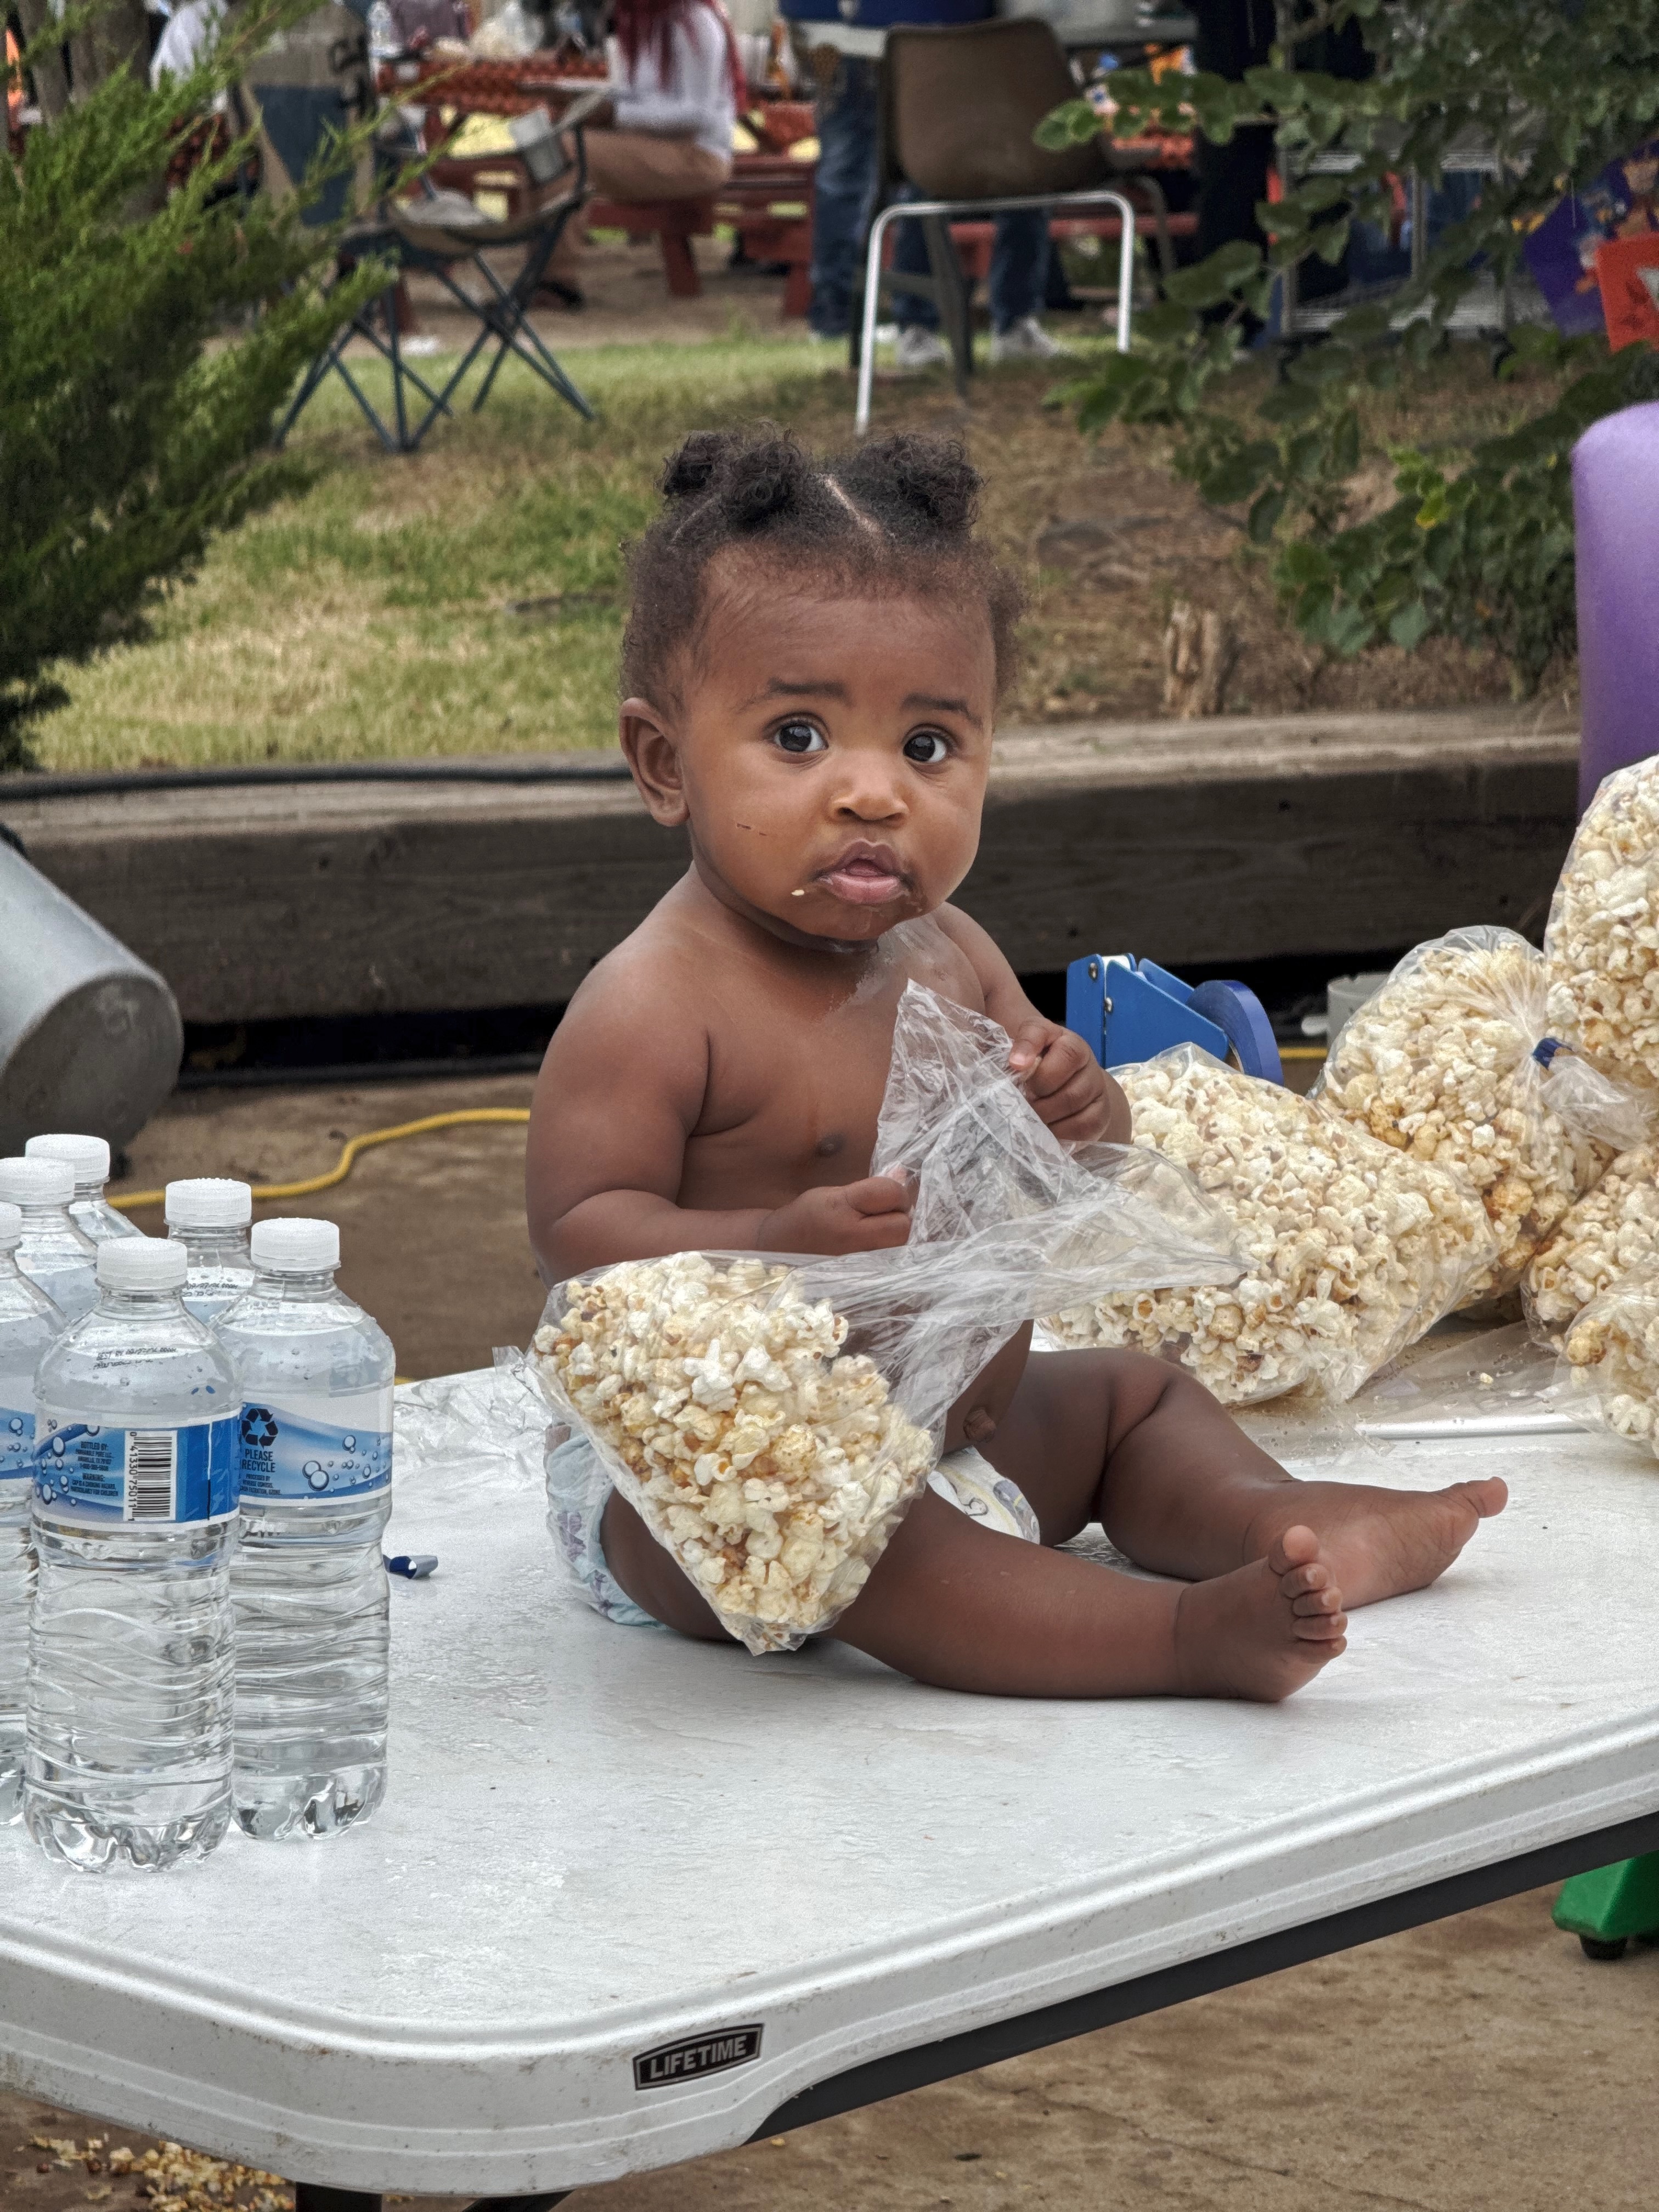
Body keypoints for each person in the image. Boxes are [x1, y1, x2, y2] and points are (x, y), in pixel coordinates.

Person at [524, 428, 1506, 1702]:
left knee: (1135, 1401)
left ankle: (1282, 1522)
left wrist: (1077, 1104)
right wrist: (777, 1237)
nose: (873, 793)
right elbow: (577, 1240)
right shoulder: (656, 1003)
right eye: (802, 736)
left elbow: (1064, 1163)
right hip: (712, 1489)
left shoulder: (947, 953)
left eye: (927, 748)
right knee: (863, 1537)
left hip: (963, 1424)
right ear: (667, 764)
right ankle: (1177, 1640)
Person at [791, 13, 1063, 366]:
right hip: (959, 37)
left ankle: (853, 318)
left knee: (863, 177)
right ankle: (1007, 321)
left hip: (855, 33)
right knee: (1007, 161)